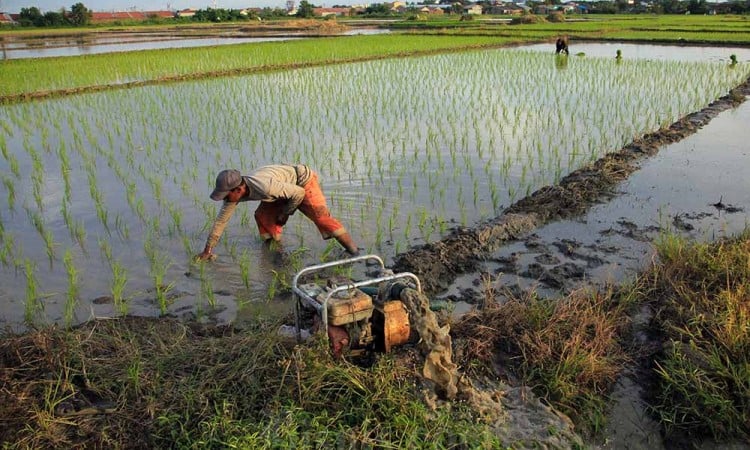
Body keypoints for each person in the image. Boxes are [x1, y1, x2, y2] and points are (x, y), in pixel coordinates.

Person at [195, 164, 358, 261]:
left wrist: (285, 214)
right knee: (262, 217)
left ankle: (354, 252)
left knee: (321, 218)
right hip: (282, 189)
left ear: (239, 189)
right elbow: (221, 221)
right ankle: (277, 254)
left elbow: (299, 193)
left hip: (302, 181)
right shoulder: (234, 197)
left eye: (226, 194)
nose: (225, 198)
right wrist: (207, 250)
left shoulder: (265, 187)